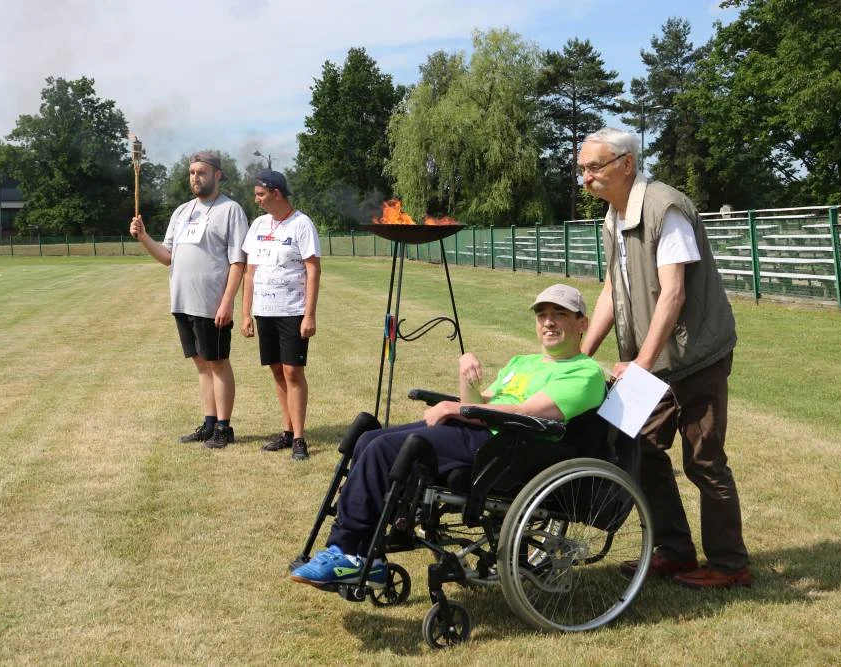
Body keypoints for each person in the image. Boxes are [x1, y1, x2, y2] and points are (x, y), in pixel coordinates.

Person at [290, 284, 606, 588]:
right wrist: (465, 375)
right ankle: (364, 550)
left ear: (582, 323)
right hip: (478, 430)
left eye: (560, 314)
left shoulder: (584, 372)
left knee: (382, 450)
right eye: (542, 315)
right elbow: (475, 404)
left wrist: (454, 408)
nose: (549, 322)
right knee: (368, 440)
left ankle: (349, 552)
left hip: (505, 448)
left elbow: (527, 413)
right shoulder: (522, 362)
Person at [577, 127, 750, 589]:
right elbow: (613, 290)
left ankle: (730, 564)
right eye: (581, 170)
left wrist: (640, 365)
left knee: (704, 461)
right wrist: (578, 355)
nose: (585, 179)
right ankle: (673, 551)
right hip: (651, 359)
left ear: (626, 164)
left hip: (695, 356)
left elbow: (673, 293)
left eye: (594, 168)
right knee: (639, 450)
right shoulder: (614, 217)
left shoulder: (665, 207)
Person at [130, 151, 248, 449]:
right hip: (183, 301)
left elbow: (238, 262)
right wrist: (144, 237)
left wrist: (227, 302)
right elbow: (167, 256)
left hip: (212, 303)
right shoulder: (182, 212)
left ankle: (224, 427)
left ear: (218, 175)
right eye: (192, 172)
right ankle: (209, 423)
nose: (196, 177)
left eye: (202, 172)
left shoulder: (230, 210)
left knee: (218, 362)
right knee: (200, 363)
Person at [240, 170, 321, 461]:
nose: (257, 199)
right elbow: (250, 273)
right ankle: (286, 431)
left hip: (292, 310)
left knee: (292, 371)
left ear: (277, 193)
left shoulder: (302, 224)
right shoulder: (258, 224)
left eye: (260, 194)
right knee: (276, 369)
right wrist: (246, 313)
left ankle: (299, 438)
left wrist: (309, 315)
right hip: (265, 312)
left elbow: (313, 270)